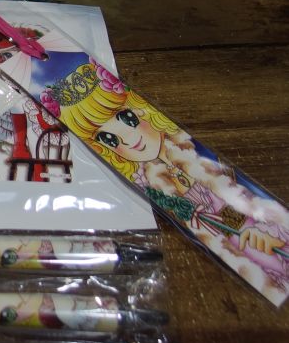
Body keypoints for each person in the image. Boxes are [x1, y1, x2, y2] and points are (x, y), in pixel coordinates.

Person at [45, 60, 288, 299]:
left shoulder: (197, 159)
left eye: (127, 119)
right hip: (241, 253)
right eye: (109, 139)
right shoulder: (153, 184)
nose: (129, 140)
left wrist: (263, 231)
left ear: (138, 110)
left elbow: (239, 202)